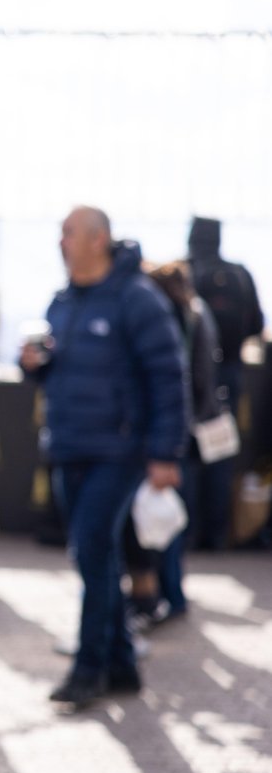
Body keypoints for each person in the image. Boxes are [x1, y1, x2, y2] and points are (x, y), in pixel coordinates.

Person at [21, 207, 187, 708]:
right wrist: (34, 365)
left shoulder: (137, 300)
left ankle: (88, 668)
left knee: (91, 550)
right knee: (100, 553)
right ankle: (120, 665)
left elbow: (168, 376)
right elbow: (60, 369)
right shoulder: (63, 301)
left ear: (97, 240)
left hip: (119, 451)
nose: (61, 241)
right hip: (71, 446)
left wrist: (164, 452)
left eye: (68, 232)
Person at [134, 260, 221, 623]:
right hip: (186, 430)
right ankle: (172, 595)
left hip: (166, 432)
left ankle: (159, 595)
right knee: (171, 516)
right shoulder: (196, 314)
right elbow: (204, 375)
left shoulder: (166, 319)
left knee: (157, 520)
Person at [185, 216, 264, 549]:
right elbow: (256, 323)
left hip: (190, 376)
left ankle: (185, 533)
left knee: (187, 453)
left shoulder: (184, 273)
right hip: (228, 374)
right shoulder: (238, 274)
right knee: (219, 450)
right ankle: (215, 535)